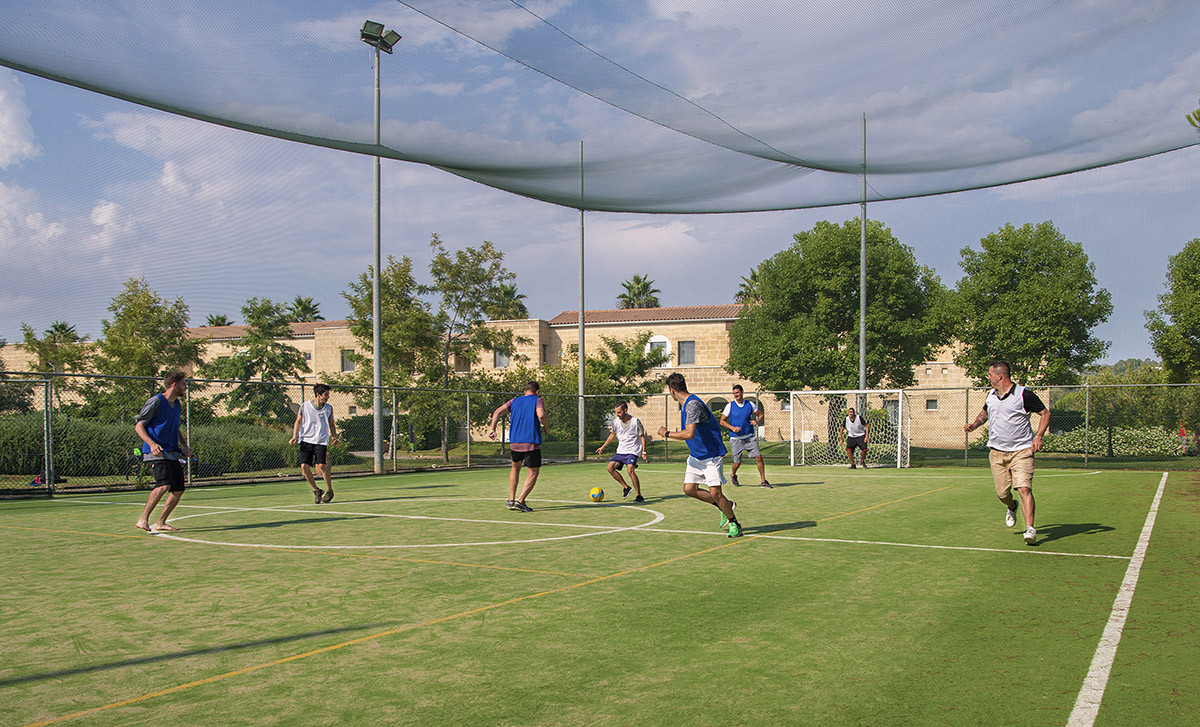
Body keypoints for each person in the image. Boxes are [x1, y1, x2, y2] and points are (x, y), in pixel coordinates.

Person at [964, 359, 1051, 545]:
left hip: (1022, 451)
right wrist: (974, 425)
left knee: (1024, 488)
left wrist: (1039, 437)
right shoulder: (991, 395)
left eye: (989, 374)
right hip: (997, 452)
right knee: (1002, 494)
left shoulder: (1024, 395)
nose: (988, 377)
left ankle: (1030, 529)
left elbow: (1045, 413)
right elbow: (985, 413)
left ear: (999, 375)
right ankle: (1012, 506)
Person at [658, 373, 744, 537]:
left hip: (711, 455)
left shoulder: (692, 405)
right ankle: (724, 506)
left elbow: (689, 433)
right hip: (697, 456)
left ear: (671, 391)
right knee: (689, 489)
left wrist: (667, 433)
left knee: (715, 493)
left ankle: (734, 523)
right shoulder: (685, 404)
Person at [134, 371, 190, 532]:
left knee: (178, 489)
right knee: (163, 485)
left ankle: (161, 522)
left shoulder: (177, 404)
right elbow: (139, 426)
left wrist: (184, 445)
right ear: (174, 384)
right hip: (157, 452)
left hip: (171, 451)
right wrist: (151, 444)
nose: (185, 387)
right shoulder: (156, 401)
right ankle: (143, 520)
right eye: (183, 384)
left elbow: (175, 427)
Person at [489, 380, 548, 512]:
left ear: (525, 391)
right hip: (531, 441)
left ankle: (510, 500)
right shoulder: (538, 400)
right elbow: (541, 414)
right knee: (533, 472)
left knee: (515, 468)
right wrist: (546, 426)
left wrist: (492, 429)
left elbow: (497, 412)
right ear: (537, 391)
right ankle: (520, 501)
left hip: (515, 441)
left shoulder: (514, 401)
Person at [289, 383, 339, 504]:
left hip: (321, 440)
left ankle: (330, 490)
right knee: (304, 467)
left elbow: (331, 424)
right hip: (306, 440)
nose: (328, 397)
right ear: (318, 394)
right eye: (326, 394)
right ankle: (316, 490)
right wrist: (294, 436)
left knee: (322, 466)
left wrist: (334, 436)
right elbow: (298, 421)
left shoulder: (328, 408)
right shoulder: (305, 406)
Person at [595, 400, 650, 502]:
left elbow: (642, 437)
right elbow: (612, 434)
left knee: (630, 470)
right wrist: (603, 447)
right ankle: (626, 487)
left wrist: (644, 452)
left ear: (625, 410)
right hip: (621, 451)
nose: (617, 414)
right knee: (610, 468)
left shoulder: (635, 422)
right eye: (616, 412)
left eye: (619, 412)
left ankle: (639, 495)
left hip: (632, 451)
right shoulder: (616, 422)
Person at [720, 384, 771, 488]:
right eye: (734, 393)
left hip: (749, 437)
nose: (736, 395)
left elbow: (760, 415)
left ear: (742, 392)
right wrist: (732, 428)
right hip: (736, 439)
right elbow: (722, 421)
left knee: (759, 457)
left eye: (737, 393)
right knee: (737, 463)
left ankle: (763, 481)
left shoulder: (750, 404)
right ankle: (733, 475)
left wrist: (756, 421)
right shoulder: (730, 406)